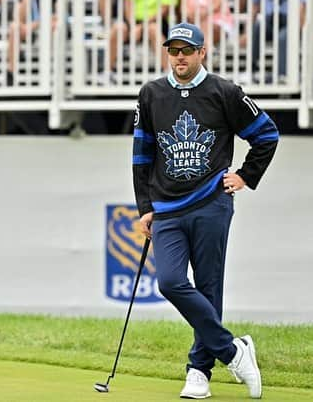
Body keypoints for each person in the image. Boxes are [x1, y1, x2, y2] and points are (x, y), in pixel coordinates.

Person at [132, 22, 278, 400]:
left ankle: (199, 370)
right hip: (166, 208)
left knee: (209, 287)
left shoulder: (224, 92)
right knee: (169, 281)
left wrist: (245, 176)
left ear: (202, 52)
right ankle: (233, 350)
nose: (179, 57)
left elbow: (266, 134)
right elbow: (142, 156)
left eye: (187, 50)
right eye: (173, 50)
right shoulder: (151, 94)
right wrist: (145, 207)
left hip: (212, 203)